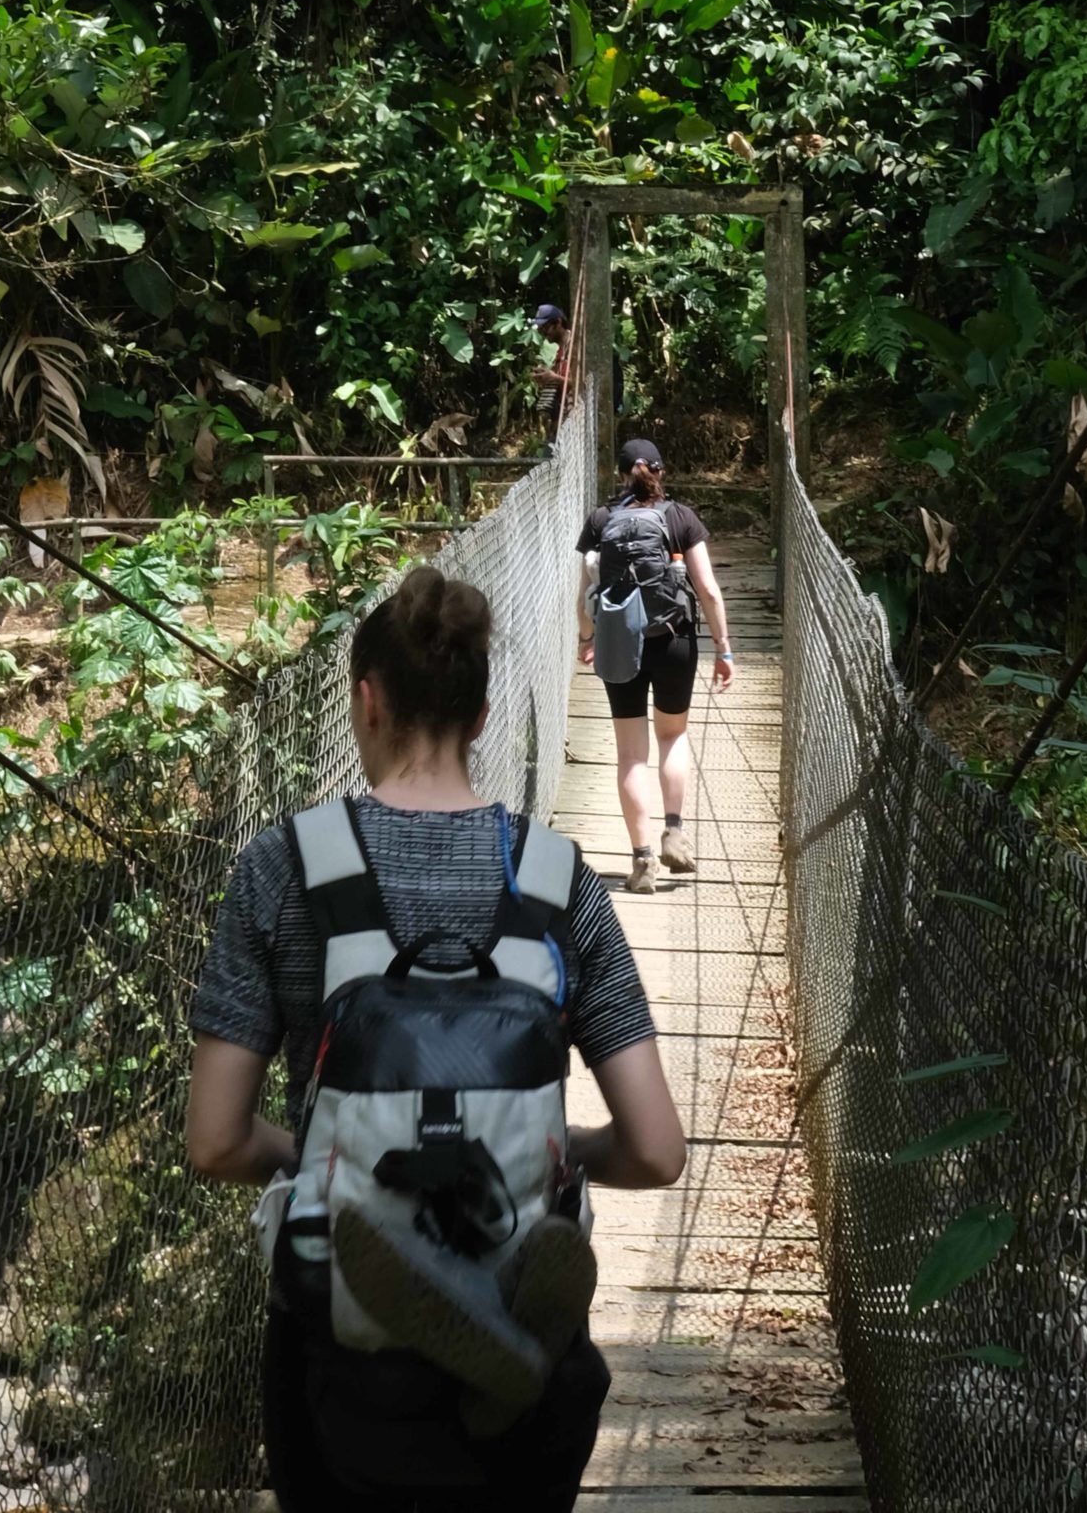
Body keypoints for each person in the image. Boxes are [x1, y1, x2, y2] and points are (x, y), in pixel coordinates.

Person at [186, 565, 686, 1512]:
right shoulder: (555, 879)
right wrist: (561, 1151)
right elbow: (657, 1151)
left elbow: (215, 1139)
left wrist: (334, 1158)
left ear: (365, 702)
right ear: (485, 713)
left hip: (335, 1341)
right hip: (521, 1298)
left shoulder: (283, 868)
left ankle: (388, 1236)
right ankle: (500, 1326)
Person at [576, 440, 735, 895]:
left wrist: (587, 639)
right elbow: (707, 588)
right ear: (659, 474)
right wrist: (724, 649)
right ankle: (674, 832)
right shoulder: (680, 517)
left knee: (630, 755)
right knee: (673, 736)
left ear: (620, 474)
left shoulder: (600, 520)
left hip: (618, 644)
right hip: (673, 641)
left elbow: (583, 592)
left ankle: (642, 859)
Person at [532, 303, 571, 439]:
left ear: (558, 323)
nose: (543, 332)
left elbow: (584, 384)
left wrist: (555, 379)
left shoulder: (575, 348)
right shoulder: (560, 352)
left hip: (575, 421)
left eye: (545, 327)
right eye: (540, 329)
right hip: (562, 421)